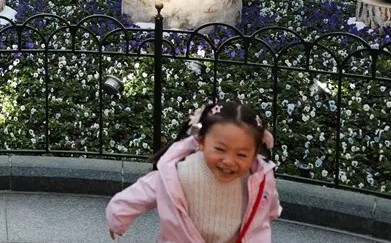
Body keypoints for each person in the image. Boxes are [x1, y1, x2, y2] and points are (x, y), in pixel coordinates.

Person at [106, 101, 281, 242]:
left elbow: (267, 201)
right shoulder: (179, 173)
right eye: (220, 149)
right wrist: (118, 218)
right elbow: (140, 194)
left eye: (242, 154)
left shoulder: (258, 178)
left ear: (254, 154)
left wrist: (272, 213)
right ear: (201, 142)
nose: (229, 161)